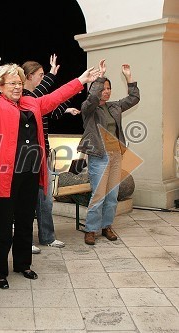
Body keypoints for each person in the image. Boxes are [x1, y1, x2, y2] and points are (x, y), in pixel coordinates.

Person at [0, 60, 99, 288]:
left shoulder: (30, 103)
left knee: (27, 221)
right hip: (5, 176)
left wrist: (81, 80)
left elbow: (56, 97)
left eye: (19, 82)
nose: (17, 87)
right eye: (11, 83)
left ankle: (23, 264)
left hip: (29, 173)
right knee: (3, 226)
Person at [22, 56, 80, 253]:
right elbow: (39, 99)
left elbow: (53, 108)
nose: (42, 78)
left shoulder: (39, 98)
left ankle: (47, 237)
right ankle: (25, 240)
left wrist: (66, 107)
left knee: (46, 199)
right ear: (29, 76)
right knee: (27, 201)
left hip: (43, 156)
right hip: (26, 159)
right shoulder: (21, 96)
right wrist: (52, 75)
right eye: (40, 76)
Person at [78, 59, 140, 245]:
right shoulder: (89, 108)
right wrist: (101, 77)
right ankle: (90, 229)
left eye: (108, 88)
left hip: (116, 155)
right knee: (98, 195)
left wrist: (129, 78)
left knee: (112, 195)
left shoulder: (114, 106)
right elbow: (92, 98)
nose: (106, 90)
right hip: (99, 156)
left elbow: (134, 99)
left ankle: (106, 226)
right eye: (103, 88)